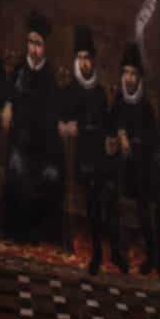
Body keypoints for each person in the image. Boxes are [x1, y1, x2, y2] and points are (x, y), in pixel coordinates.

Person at [58, 25, 128, 275]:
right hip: (82, 158)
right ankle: (98, 252)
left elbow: (107, 124)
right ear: (76, 60)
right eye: (80, 58)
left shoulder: (99, 92)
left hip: (100, 155)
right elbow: (61, 121)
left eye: (87, 58)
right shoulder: (70, 90)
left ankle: (116, 253)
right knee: (98, 194)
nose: (84, 63)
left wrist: (112, 138)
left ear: (92, 60)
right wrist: (67, 126)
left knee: (110, 191)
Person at [109, 42, 160, 282]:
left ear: (139, 77)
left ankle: (153, 256)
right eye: (125, 72)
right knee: (112, 186)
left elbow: (155, 134)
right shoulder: (118, 99)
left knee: (148, 198)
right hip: (121, 167)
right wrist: (119, 135)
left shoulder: (145, 105)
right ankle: (118, 251)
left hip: (141, 167)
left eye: (133, 73)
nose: (129, 78)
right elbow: (110, 125)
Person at [2, 11, 65, 245]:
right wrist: (8, 104)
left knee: (50, 175)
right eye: (30, 42)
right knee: (17, 169)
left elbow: (53, 113)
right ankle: (16, 232)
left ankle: (39, 234)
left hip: (44, 146)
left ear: (45, 46)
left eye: (38, 44)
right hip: (20, 142)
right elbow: (9, 94)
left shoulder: (50, 75)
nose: (33, 49)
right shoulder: (19, 69)